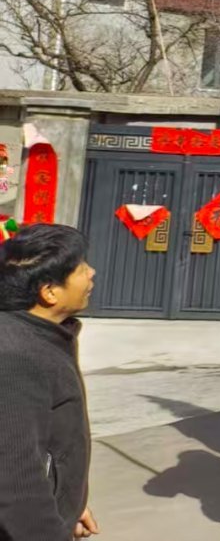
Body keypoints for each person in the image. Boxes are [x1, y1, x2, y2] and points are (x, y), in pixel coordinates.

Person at [0, 223, 98, 539]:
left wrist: (71, 501)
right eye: (82, 268)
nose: (92, 273)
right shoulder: (14, 355)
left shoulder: (41, 335)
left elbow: (51, 445)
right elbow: (15, 480)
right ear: (49, 291)